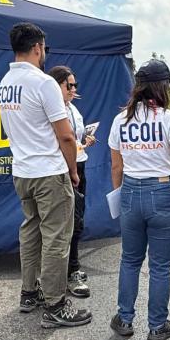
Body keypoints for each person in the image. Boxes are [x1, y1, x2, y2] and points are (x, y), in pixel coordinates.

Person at [0, 22, 91, 329]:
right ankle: (55, 304)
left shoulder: (5, 83)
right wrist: (73, 170)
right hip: (49, 172)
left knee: (31, 230)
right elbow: (65, 137)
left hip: (22, 171)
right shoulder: (43, 83)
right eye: (44, 49)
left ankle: (29, 292)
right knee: (57, 238)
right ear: (38, 47)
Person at [108, 59, 170, 340]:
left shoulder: (120, 120)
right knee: (159, 265)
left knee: (130, 260)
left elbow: (116, 167)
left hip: (131, 191)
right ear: (161, 87)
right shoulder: (168, 118)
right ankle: (157, 326)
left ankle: (124, 318)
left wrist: (122, 194)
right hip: (162, 192)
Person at [47, 65, 96, 298]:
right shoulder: (53, 108)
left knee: (77, 220)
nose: (74, 89)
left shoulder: (72, 108)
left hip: (79, 164)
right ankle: (68, 273)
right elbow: (61, 140)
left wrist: (85, 139)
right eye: (70, 85)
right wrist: (72, 170)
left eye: (75, 85)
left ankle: (71, 269)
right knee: (68, 223)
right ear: (57, 85)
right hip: (67, 168)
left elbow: (73, 138)